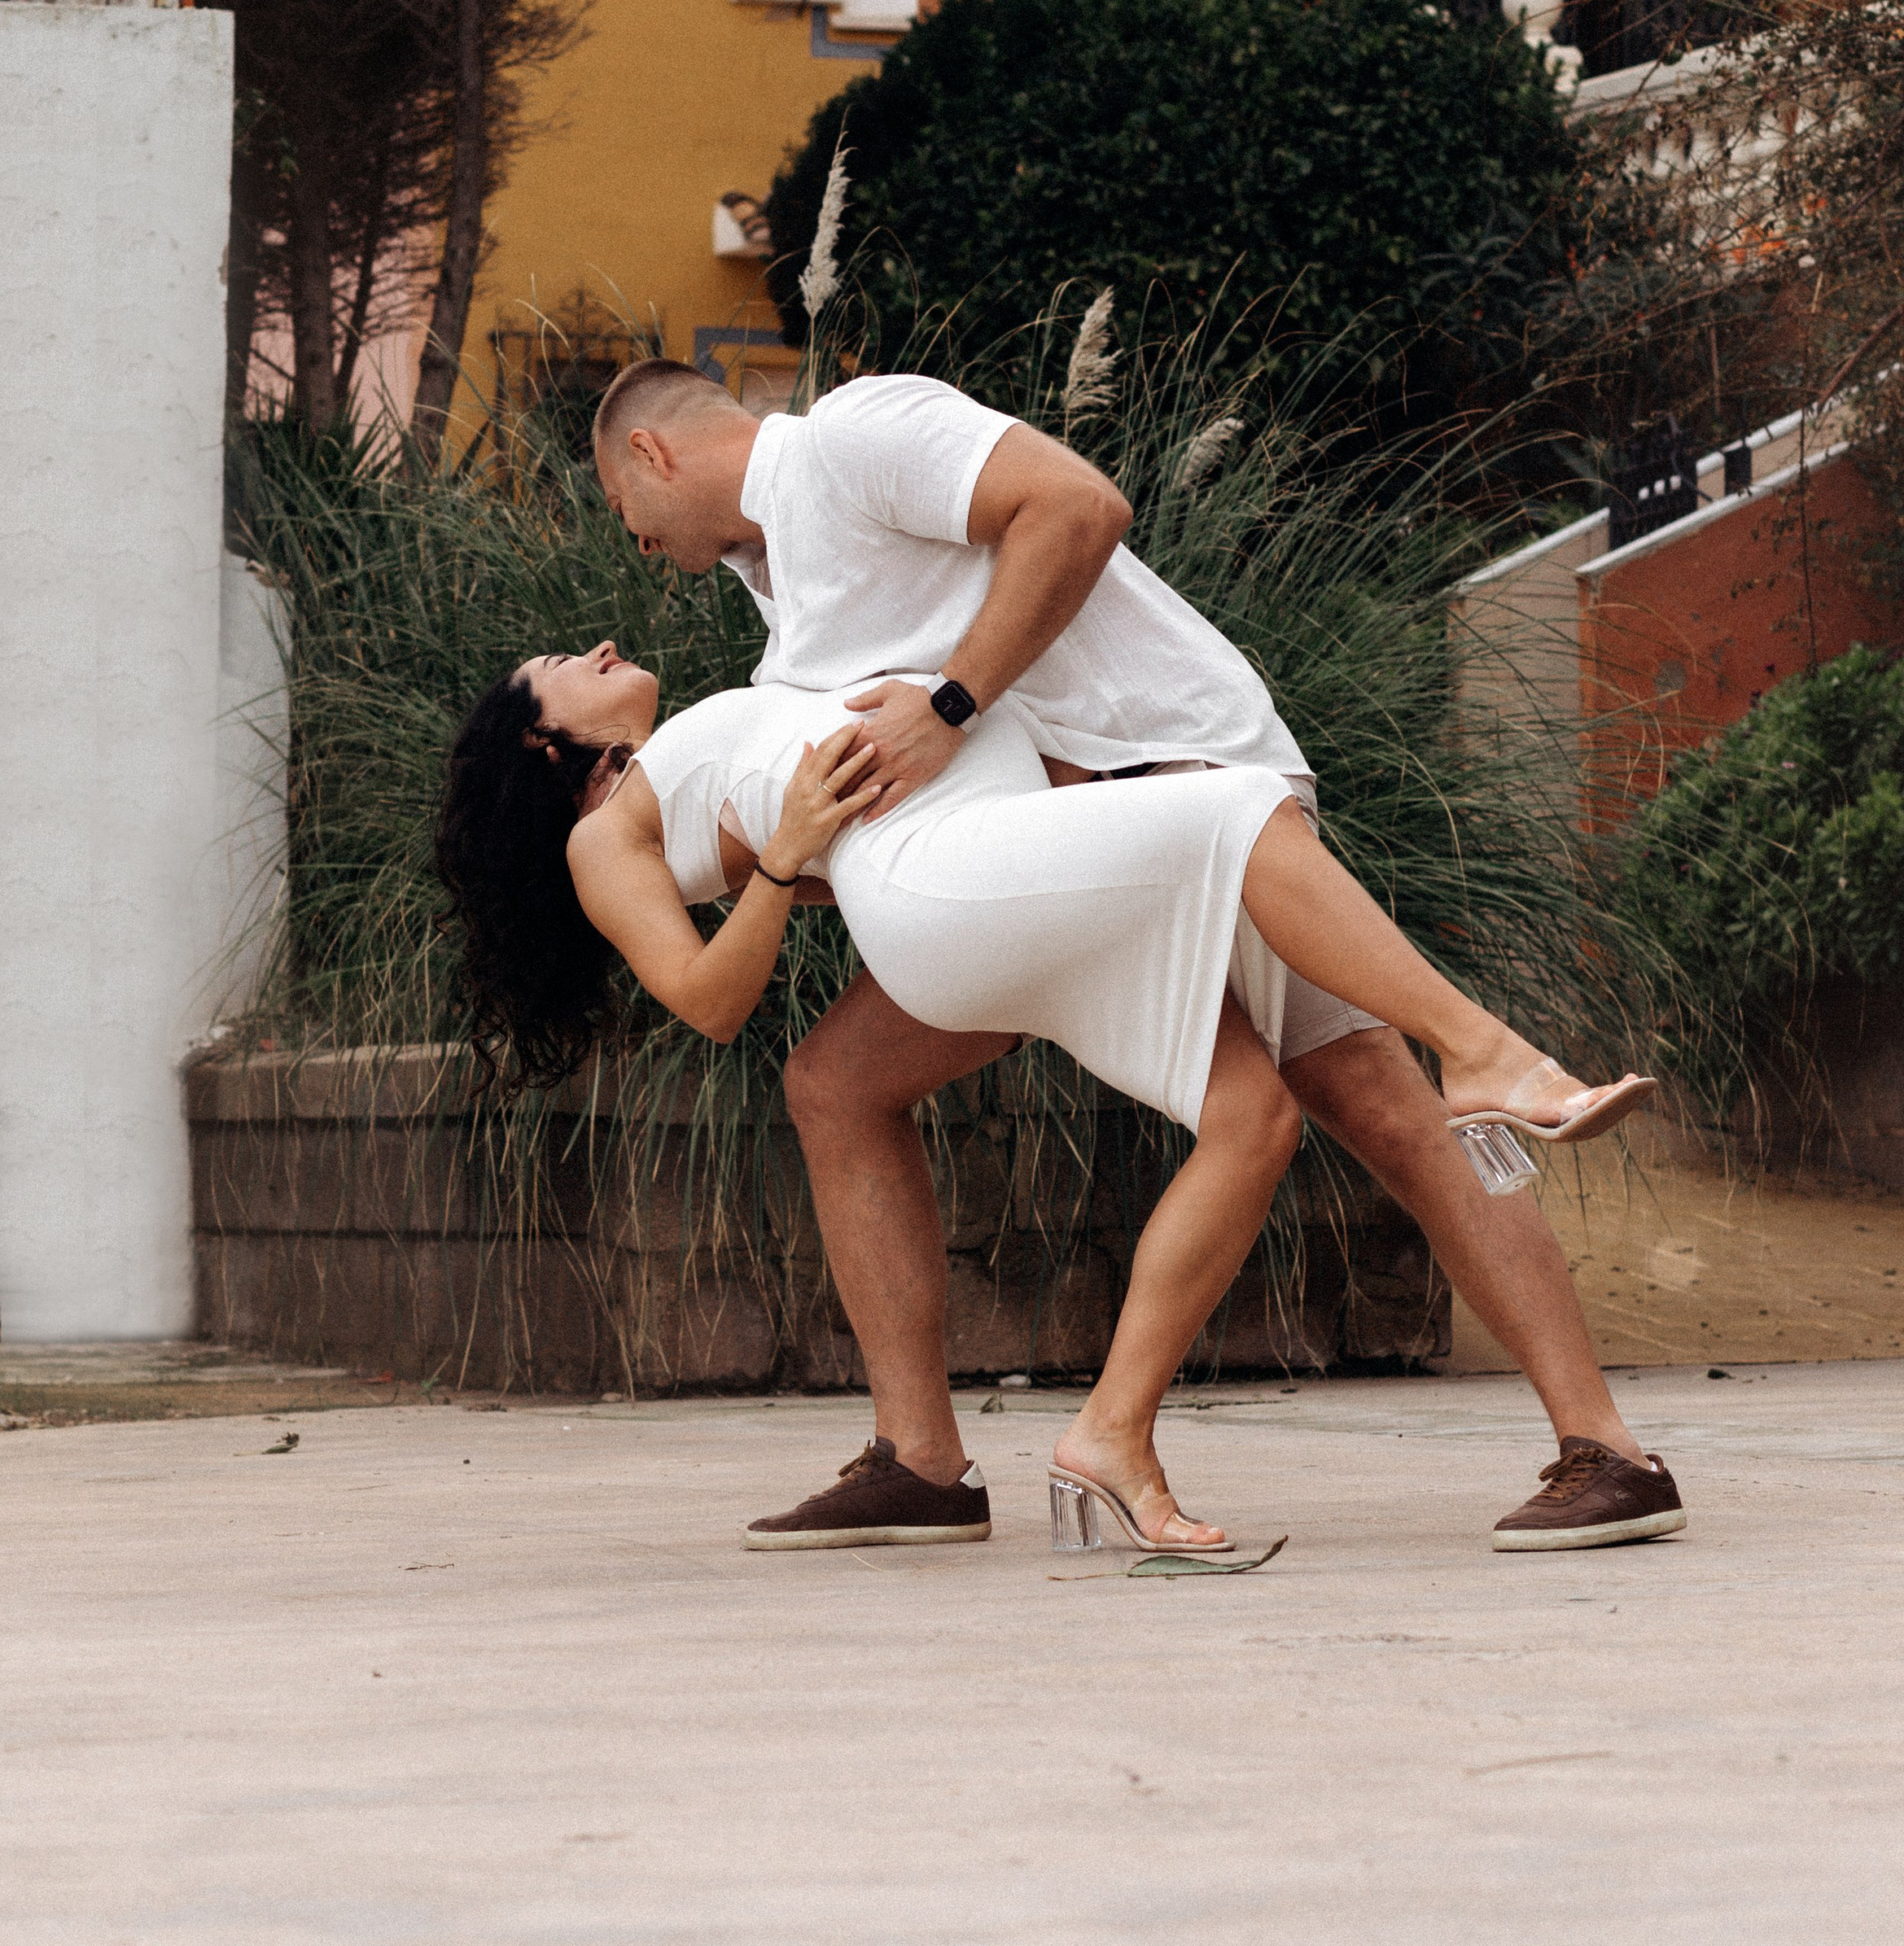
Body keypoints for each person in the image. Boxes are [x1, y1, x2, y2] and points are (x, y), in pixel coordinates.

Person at [589, 359, 1685, 1558]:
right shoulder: (784, 591)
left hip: (1171, 775)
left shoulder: (851, 438)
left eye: (621, 513)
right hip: (1052, 853)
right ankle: (923, 1463)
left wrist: (949, 706)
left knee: (1374, 1094)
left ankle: (1606, 1447)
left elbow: (1080, 506)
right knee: (837, 1082)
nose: (638, 548)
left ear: (651, 455)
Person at [436, 636, 1665, 1555]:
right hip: (961, 886)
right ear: (545, 749)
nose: (597, 648)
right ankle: (1480, 1049)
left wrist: (822, 845)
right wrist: (794, 853)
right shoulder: (603, 835)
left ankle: (1099, 1438)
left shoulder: (731, 703)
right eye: (561, 665)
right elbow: (709, 1000)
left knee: (1254, 1119)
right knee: (1240, 808)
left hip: (1007, 867)